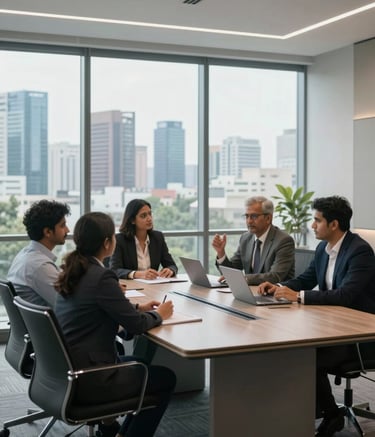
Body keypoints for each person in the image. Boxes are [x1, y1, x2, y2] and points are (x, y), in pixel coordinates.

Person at [258, 196, 375, 437]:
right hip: (333, 325)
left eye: (317, 220)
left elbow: (345, 295)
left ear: (334, 224)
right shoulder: (323, 248)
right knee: (293, 350)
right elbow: (306, 279)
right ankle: (314, 411)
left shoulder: (360, 251)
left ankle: (331, 416)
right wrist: (278, 286)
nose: (312, 225)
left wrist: (299, 296)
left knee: (307, 358)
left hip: (360, 335)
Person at [54, 212, 176, 437]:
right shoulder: (101, 276)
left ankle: (113, 431)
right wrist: (160, 314)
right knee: (166, 378)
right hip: (92, 377)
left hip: (67, 370)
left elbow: (97, 307)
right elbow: (138, 326)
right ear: (107, 243)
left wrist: (139, 308)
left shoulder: (76, 270)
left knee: (139, 362)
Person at [212, 196, 295, 285]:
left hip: (275, 296)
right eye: (247, 216)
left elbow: (275, 276)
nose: (249, 221)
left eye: (254, 216)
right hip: (249, 294)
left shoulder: (283, 241)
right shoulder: (246, 238)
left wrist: (245, 278)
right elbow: (232, 271)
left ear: (268, 218)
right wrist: (221, 253)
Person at [7, 199, 70, 306]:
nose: (67, 230)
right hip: (49, 322)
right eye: (62, 225)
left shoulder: (25, 254)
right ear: (48, 232)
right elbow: (68, 305)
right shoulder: (40, 266)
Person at [110, 199, 178, 280]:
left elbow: (172, 265)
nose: (149, 219)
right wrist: (137, 274)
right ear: (132, 220)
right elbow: (114, 270)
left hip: (153, 287)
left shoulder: (158, 237)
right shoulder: (120, 240)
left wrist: (170, 270)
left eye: (150, 214)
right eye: (143, 216)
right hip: (131, 288)